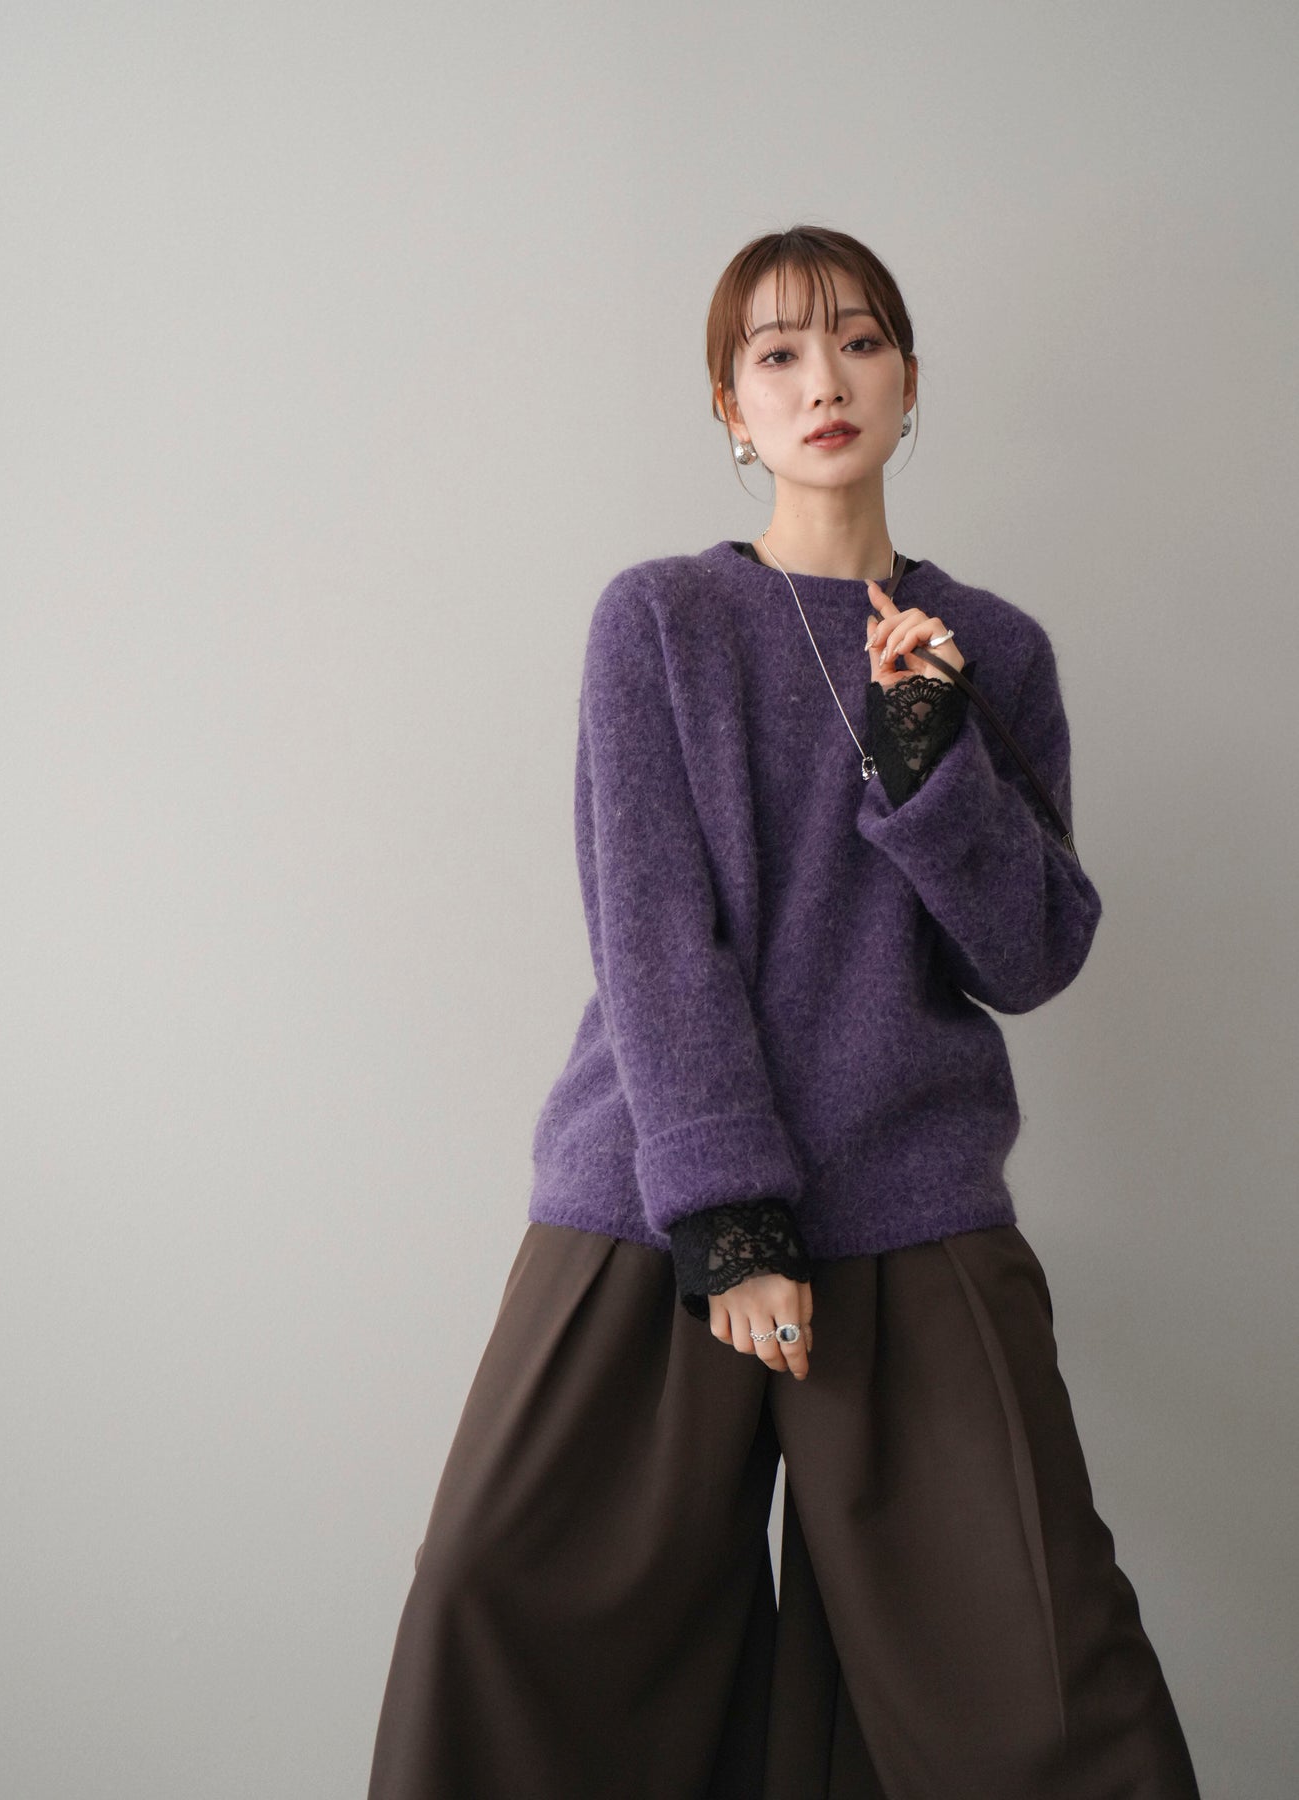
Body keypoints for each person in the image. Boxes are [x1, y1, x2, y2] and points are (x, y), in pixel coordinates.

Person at [367, 225, 1201, 1799]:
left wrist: (928, 762)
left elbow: (1030, 956)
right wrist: (730, 1213)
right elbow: (649, 923)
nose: (824, 380)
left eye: (859, 341)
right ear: (729, 410)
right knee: (499, 1614)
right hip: (657, 1201)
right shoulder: (659, 620)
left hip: (909, 1205)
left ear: (908, 382)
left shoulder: (988, 650)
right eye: (777, 353)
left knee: (1034, 1693)